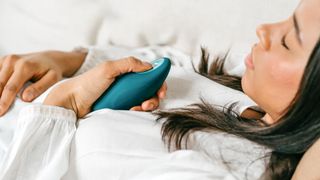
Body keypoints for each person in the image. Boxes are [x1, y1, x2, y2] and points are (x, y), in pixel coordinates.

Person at [0, 0, 319, 179]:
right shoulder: (249, 91)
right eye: (287, 20)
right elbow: (168, 62)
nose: (264, 31)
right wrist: (68, 60)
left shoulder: (219, 170)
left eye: (289, 41)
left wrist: (64, 102)